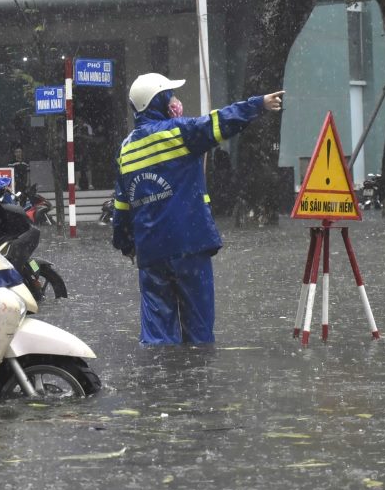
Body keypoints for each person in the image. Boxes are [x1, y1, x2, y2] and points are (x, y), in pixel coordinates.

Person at [111, 72, 284, 345]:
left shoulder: (126, 149)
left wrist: (126, 244)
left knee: (157, 336)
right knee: (199, 332)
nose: (175, 101)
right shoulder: (181, 132)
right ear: (158, 101)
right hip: (189, 245)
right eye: (169, 96)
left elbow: (122, 206)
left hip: (151, 253)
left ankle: (160, 371)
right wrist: (257, 104)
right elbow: (221, 121)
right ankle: (197, 372)